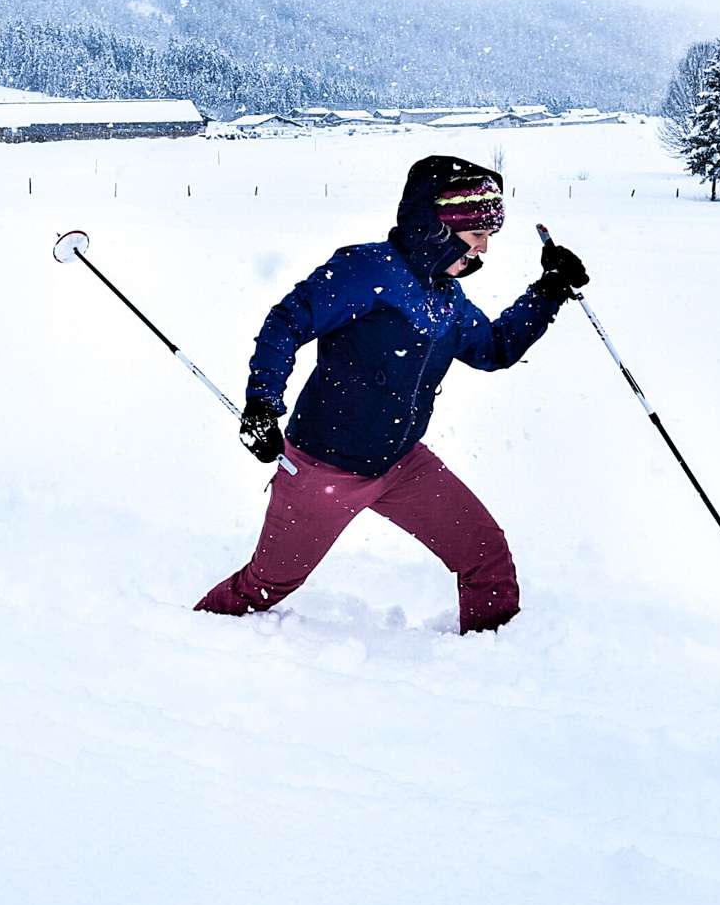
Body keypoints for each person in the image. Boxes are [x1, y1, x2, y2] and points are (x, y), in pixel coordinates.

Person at [194, 154, 589, 633]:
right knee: (265, 586)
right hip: (324, 470)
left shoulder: (446, 297)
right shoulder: (363, 270)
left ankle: (495, 661)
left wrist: (548, 291)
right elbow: (287, 321)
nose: (484, 249)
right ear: (436, 228)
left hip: (402, 464)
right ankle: (190, 637)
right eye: (477, 234)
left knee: (485, 554)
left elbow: (495, 349)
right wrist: (262, 401)